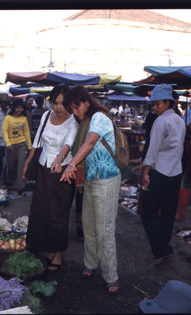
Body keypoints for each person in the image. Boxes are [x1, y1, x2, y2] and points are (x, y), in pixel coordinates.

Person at [60, 85, 121, 295]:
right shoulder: (85, 121)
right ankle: (91, 264)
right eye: (72, 109)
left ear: (86, 101)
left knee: (104, 229)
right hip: (91, 179)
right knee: (89, 225)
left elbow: (90, 143)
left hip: (106, 179)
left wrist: (71, 165)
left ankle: (111, 275)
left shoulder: (99, 118)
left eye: (76, 107)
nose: (75, 112)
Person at [23, 84, 78, 271]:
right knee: (40, 209)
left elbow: (69, 143)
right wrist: (28, 162)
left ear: (69, 104)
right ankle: (44, 247)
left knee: (58, 214)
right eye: (55, 103)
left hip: (63, 172)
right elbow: (37, 141)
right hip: (43, 169)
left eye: (62, 104)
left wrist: (59, 159)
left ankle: (58, 254)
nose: (58, 107)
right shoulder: (46, 116)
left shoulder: (73, 122)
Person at [139, 84, 185, 267]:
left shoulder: (161, 121)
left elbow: (153, 150)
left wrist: (145, 173)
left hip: (159, 171)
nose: (156, 108)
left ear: (168, 102)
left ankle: (162, 250)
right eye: (154, 104)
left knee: (147, 212)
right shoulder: (179, 120)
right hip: (175, 172)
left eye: (158, 104)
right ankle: (164, 249)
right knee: (167, 213)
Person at [2, 99, 32, 194]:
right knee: (11, 166)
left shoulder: (24, 119)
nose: (19, 109)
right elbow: (4, 131)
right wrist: (8, 143)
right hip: (10, 145)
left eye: (21, 108)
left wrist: (29, 146)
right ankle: (10, 182)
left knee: (21, 165)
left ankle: (21, 187)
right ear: (14, 108)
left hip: (21, 144)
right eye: (17, 107)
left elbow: (26, 132)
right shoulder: (8, 118)